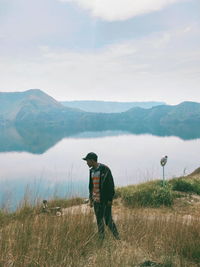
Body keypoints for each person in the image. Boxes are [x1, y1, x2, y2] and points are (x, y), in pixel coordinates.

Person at [82, 152, 120, 240]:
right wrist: (91, 199)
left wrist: (110, 200)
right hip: (96, 200)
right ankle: (101, 240)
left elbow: (111, 186)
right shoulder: (91, 171)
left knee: (108, 220)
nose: (86, 163)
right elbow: (91, 186)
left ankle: (118, 238)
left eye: (87, 161)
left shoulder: (105, 169)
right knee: (99, 221)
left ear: (92, 160)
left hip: (105, 200)